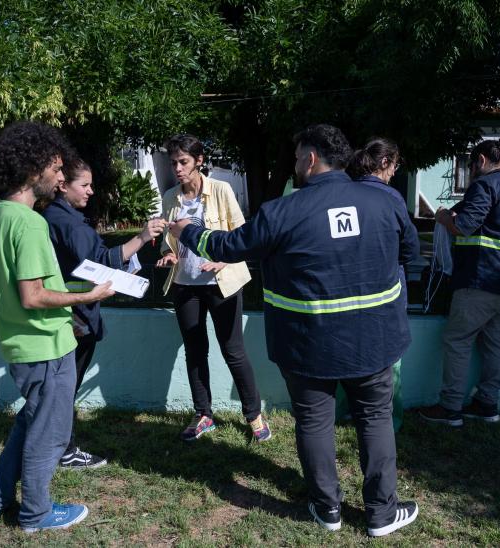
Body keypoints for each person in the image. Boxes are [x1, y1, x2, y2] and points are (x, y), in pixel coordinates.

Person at [168, 124, 421, 537]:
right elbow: (408, 254)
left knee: (314, 421)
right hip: (374, 339)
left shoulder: (283, 210)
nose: (296, 166)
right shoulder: (385, 200)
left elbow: (227, 248)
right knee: (374, 420)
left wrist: (185, 230)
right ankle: (380, 513)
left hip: (308, 344)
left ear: (311, 159)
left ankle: (328, 509)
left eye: (298, 157)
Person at [0, 121, 115, 533]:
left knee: (30, 423)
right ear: (34, 166)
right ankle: (36, 514)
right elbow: (33, 296)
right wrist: (86, 298)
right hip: (44, 346)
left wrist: (71, 288)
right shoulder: (30, 223)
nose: (61, 179)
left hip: (23, 344)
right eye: (56, 170)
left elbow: (30, 286)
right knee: (50, 436)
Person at [42, 157, 166, 468]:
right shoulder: (68, 222)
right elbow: (100, 262)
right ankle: (64, 450)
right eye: (84, 185)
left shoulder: (55, 216)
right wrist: (140, 237)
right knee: (65, 384)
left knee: (61, 383)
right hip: (76, 315)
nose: (91, 191)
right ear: (63, 185)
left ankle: (56, 445)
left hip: (72, 310)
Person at [418, 138, 500, 427]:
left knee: (457, 340)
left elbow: (463, 225)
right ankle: (487, 404)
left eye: (471, 164)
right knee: (495, 344)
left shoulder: (485, 185)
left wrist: (442, 216)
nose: (472, 170)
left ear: (482, 161)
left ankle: (450, 408)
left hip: (481, 279)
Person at [155, 134, 270, 443]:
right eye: (174, 163)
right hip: (185, 286)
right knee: (195, 351)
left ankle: (254, 414)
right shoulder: (170, 198)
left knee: (233, 351)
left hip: (222, 284)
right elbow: (172, 242)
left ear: (199, 161)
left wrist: (222, 261)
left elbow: (241, 235)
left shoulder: (221, 190)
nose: (178, 169)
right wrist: (168, 255)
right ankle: (203, 414)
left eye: (183, 162)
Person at [345, 137, 418, 432]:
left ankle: (346, 411)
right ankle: (390, 418)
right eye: (395, 164)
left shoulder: (344, 193)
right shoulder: (392, 198)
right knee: (390, 357)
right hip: (387, 291)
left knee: (348, 348)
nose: (395, 171)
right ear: (385, 162)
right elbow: (411, 249)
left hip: (348, 290)